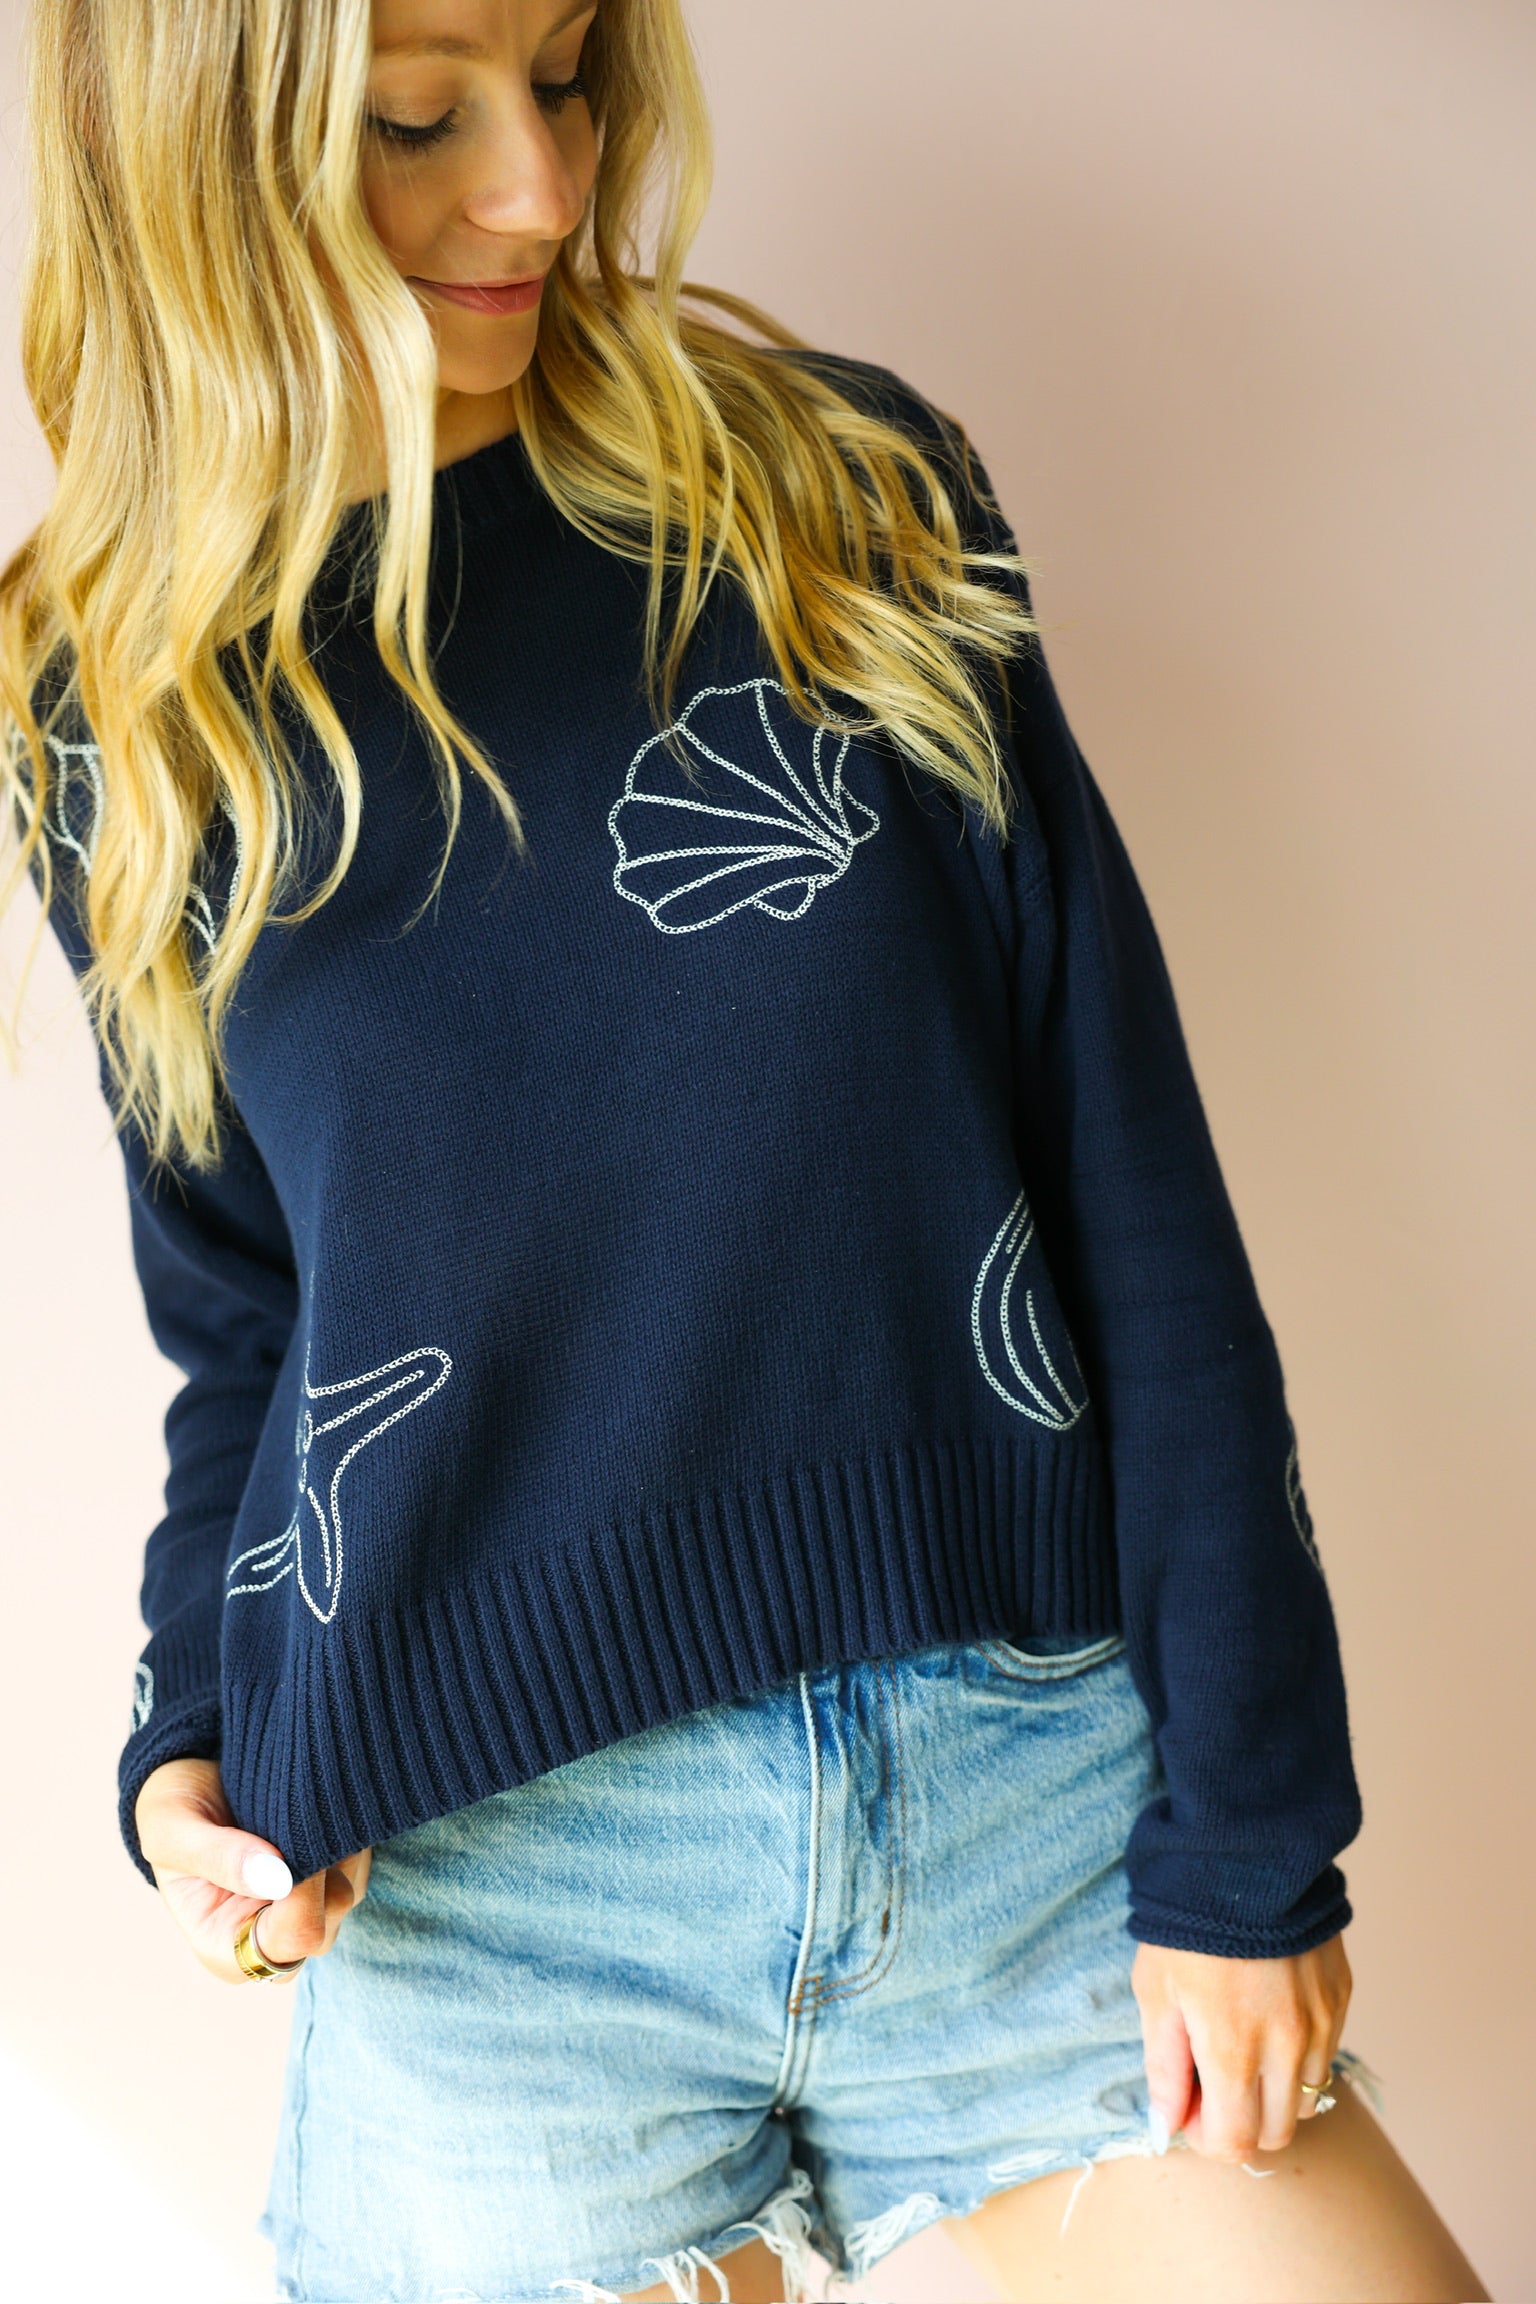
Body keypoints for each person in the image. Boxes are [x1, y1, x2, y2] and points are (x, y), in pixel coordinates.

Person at [0, 2, 1489, 2300]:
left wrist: (1253, 1832)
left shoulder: (836, 495)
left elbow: (1131, 1188)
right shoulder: (114, 691)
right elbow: (252, 1334)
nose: (540, 187)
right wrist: (185, 1741)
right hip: (490, 1895)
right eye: (418, 116)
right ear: (206, 151)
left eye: (567, 74)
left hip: (1020, 1797)